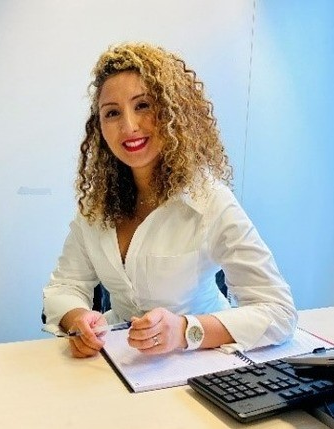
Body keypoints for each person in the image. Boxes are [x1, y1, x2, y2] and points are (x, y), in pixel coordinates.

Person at [43, 42, 297, 359]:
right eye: (112, 113)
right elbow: (64, 287)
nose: (129, 126)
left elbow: (279, 311)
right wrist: (77, 319)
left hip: (196, 362)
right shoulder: (96, 205)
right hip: (117, 361)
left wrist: (184, 330)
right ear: (99, 128)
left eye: (143, 105)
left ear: (171, 111)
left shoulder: (209, 200)